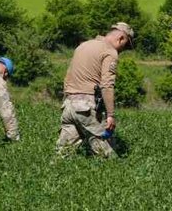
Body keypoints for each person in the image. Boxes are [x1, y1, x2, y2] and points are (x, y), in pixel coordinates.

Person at [55, 22, 134, 158]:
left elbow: (68, 77)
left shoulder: (82, 46)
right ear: (121, 38)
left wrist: (68, 100)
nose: (123, 50)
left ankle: (51, 176)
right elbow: (107, 84)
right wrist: (110, 115)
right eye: (126, 45)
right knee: (107, 156)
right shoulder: (109, 51)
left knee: (62, 155)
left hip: (68, 106)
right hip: (86, 108)